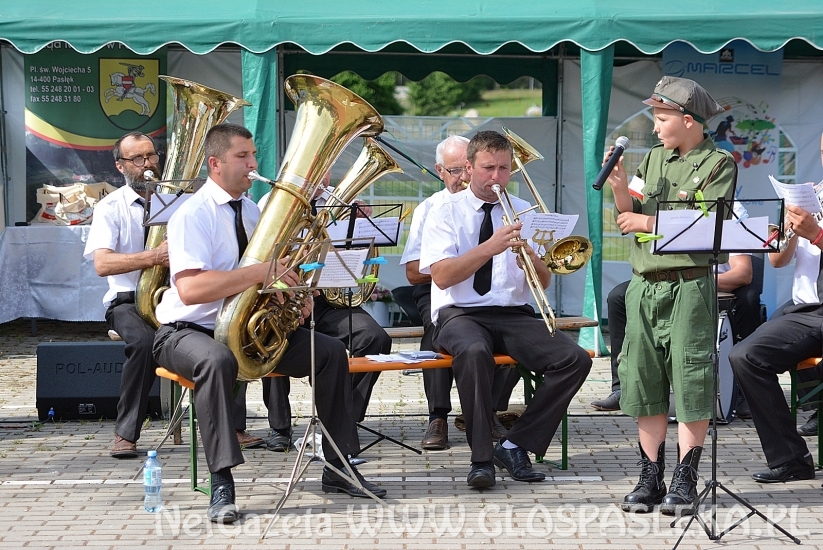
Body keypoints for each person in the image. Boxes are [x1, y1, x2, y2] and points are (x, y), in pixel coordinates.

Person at [152, 123, 385, 524]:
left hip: (241, 330)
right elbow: (190, 289)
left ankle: (338, 463)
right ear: (215, 164)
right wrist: (261, 272)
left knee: (328, 351)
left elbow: (263, 280)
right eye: (243, 157)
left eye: (253, 156)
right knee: (216, 362)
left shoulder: (252, 209)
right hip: (187, 331)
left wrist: (290, 296)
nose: (253, 164)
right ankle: (221, 481)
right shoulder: (192, 214)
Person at [419, 130, 592, 488]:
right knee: (474, 351)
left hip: (512, 313)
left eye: (503, 168)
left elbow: (541, 284)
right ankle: (481, 459)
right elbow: (441, 276)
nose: (496, 177)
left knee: (575, 359)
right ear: (467, 168)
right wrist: (491, 246)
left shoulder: (522, 211)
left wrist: (532, 257)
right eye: (487, 168)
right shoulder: (443, 211)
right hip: (459, 312)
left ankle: (515, 444)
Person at [606, 76, 736, 515]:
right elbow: (629, 213)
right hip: (645, 285)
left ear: (687, 120)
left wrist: (648, 225)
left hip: (689, 286)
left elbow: (708, 229)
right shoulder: (652, 159)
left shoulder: (719, 163)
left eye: (662, 118)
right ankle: (650, 477)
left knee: (692, 379)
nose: (656, 126)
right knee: (644, 379)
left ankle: (685, 479)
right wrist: (620, 184)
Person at [256, 172, 392, 452]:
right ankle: (279, 427)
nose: (321, 172)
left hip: (327, 302)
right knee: (272, 339)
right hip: (284, 297)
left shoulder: (343, 202)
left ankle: (345, 417)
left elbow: (362, 254)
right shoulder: (270, 202)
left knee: (376, 338)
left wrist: (361, 222)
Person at [400, 135, 519, 450]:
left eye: (465, 170)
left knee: (515, 326)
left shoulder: (502, 205)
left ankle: (487, 410)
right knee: (436, 330)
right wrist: (458, 263)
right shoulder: (431, 208)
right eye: (454, 171)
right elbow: (413, 271)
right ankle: (437, 416)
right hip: (436, 291)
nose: (463, 178)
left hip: (487, 292)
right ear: (440, 171)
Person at [592, 202, 761, 414]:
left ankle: (745, 394)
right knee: (617, 297)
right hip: (670, 282)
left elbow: (743, 274)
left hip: (715, 285)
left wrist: (697, 279)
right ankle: (621, 388)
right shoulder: (663, 204)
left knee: (750, 299)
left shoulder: (730, 209)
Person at [727, 132, 823, 485]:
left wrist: (815, 233)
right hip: (803, 307)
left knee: (748, 355)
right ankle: (791, 457)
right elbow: (780, 261)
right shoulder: (816, 194)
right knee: (744, 356)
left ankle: (801, 440)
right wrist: (790, 229)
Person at [84, 132, 167, 459]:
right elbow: (102, 265)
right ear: (120, 166)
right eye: (137, 159)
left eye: (151, 156)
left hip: (175, 296)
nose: (147, 165)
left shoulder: (178, 201)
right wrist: (153, 258)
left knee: (225, 329)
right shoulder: (109, 207)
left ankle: (234, 427)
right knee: (144, 344)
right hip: (128, 300)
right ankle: (126, 433)